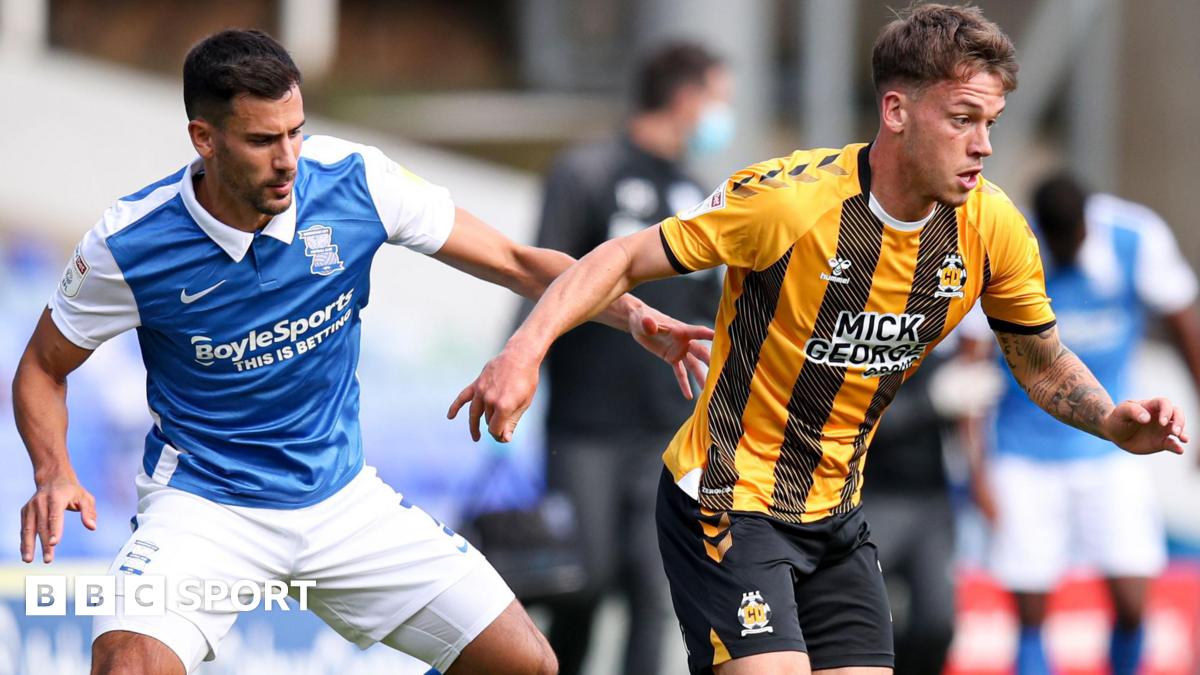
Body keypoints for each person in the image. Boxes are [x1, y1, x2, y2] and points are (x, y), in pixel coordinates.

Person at [449, 5, 1189, 674]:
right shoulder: (788, 202)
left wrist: (1110, 417)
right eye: (964, 118)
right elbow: (618, 257)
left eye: (991, 122)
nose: (984, 145)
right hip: (726, 502)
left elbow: (1040, 358)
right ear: (896, 110)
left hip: (835, 516)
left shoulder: (991, 228)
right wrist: (524, 351)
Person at [11, 29, 712, 675]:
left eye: (296, 132)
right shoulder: (130, 244)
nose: (289, 160)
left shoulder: (354, 181)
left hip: (341, 500)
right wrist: (53, 471)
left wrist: (634, 316)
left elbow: (512, 258)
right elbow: (42, 367)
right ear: (205, 138)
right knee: (128, 666)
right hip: (205, 505)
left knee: (527, 664)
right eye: (262, 141)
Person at [525, 42, 726, 675]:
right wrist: (520, 363)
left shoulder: (701, 193)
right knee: (581, 583)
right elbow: (539, 279)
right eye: (721, 98)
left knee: (654, 591)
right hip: (585, 426)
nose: (725, 114)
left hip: (667, 430)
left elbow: (710, 311)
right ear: (688, 98)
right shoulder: (587, 171)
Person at [966, 173, 1200, 675]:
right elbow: (969, 370)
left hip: (1110, 452)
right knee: (1030, 615)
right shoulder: (1006, 246)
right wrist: (977, 470)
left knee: (1134, 601)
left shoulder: (1135, 239)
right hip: (1023, 455)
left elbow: (1185, 324)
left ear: (1085, 229)